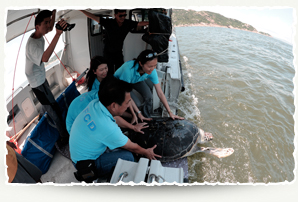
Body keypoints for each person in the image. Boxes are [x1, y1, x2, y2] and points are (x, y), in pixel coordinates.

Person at [69, 77, 161, 181]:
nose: (128, 106)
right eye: (127, 103)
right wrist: (146, 152)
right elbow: (131, 147)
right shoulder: (107, 127)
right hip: (85, 164)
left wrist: (133, 127)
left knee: (119, 143)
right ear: (113, 106)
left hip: (80, 150)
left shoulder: (95, 104)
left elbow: (115, 119)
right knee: (128, 156)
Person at [25, 10, 69, 144]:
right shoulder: (32, 44)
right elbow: (44, 58)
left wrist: (54, 11)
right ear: (37, 26)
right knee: (53, 108)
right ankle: (64, 136)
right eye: (46, 23)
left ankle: (41, 114)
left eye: (49, 22)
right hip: (36, 82)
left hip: (41, 77)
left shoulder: (40, 32)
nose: (49, 25)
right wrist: (58, 34)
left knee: (47, 100)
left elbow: (49, 28)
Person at [114, 49, 184, 120]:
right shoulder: (128, 70)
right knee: (137, 104)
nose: (153, 69)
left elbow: (160, 93)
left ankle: (146, 116)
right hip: (120, 83)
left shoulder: (152, 71)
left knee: (149, 96)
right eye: (150, 66)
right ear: (141, 63)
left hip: (137, 80)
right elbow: (127, 96)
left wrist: (170, 112)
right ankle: (134, 117)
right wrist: (138, 113)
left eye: (155, 65)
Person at [80, 9, 149, 75]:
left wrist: (151, 22)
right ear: (115, 15)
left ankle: (118, 83)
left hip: (118, 51)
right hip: (108, 52)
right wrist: (81, 10)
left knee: (120, 69)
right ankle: (110, 83)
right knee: (108, 70)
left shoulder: (127, 23)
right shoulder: (109, 23)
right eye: (120, 16)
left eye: (124, 15)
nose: (123, 17)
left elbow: (139, 23)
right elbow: (94, 17)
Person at [65, 89, 148, 135]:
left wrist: (133, 115)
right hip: (75, 131)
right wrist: (133, 127)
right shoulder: (97, 104)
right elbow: (114, 117)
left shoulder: (101, 94)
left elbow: (116, 111)